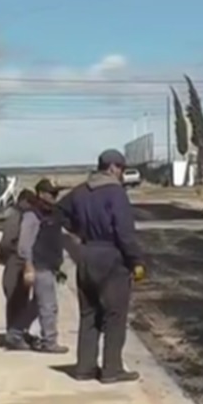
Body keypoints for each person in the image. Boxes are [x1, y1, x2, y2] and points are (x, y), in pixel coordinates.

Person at [57, 149, 144, 383]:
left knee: (89, 314)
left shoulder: (79, 191)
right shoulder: (116, 194)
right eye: (122, 169)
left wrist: (78, 230)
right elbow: (124, 232)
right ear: (113, 168)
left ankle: (85, 368)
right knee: (115, 316)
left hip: (86, 255)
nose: (122, 174)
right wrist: (136, 261)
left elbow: (58, 212)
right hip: (111, 259)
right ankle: (112, 369)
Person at [16, 179, 70, 353]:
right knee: (48, 306)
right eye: (52, 193)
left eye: (57, 193)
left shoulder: (54, 213)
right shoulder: (32, 215)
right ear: (41, 194)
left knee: (37, 305)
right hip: (39, 265)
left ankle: (15, 332)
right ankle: (50, 341)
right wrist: (28, 265)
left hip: (50, 265)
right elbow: (24, 244)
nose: (55, 196)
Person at [0, 189, 39, 350]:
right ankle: (14, 335)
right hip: (16, 259)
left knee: (20, 297)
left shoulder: (17, 214)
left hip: (17, 258)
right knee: (16, 297)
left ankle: (17, 332)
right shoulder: (16, 215)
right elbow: (7, 240)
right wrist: (5, 254)